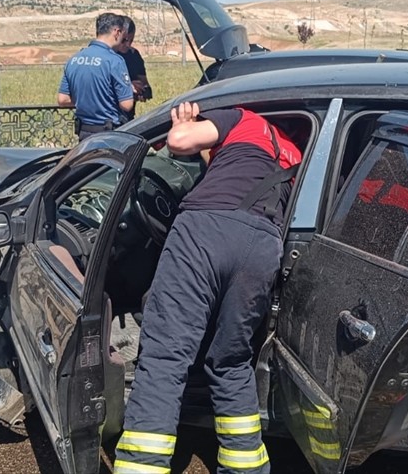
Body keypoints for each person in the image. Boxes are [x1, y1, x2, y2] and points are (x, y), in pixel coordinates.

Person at [114, 102, 303, 474]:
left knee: (165, 357)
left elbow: (180, 142)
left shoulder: (244, 118)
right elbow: (223, 167)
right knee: (232, 362)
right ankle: (246, 468)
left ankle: (141, 466)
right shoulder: (295, 154)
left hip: (205, 230)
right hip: (263, 247)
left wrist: (183, 124)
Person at [58, 12, 134, 140]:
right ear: (117, 32)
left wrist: (87, 98)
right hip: (109, 134)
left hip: (84, 133)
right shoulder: (115, 61)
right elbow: (126, 104)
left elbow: (63, 100)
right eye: (123, 36)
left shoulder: (74, 59)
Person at [113, 16, 151, 122]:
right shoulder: (107, 55)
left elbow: (145, 83)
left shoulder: (134, 55)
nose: (128, 44)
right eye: (124, 40)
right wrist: (128, 87)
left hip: (127, 117)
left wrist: (142, 91)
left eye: (131, 40)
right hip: (109, 116)